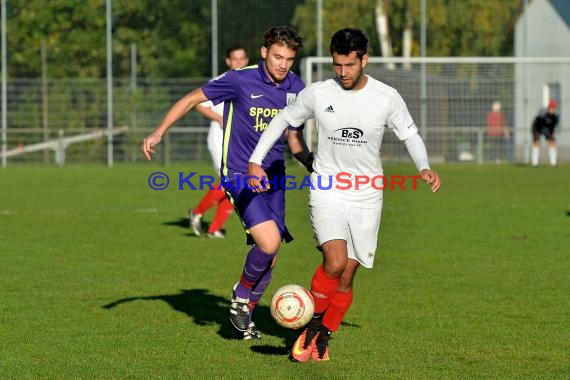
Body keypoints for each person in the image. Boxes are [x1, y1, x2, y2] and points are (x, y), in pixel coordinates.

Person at [247, 28, 441, 362]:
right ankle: (309, 323)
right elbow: (281, 121)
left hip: (367, 196)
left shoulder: (386, 96)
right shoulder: (319, 93)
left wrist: (423, 166)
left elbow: (409, 133)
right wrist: (255, 162)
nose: (343, 73)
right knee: (334, 262)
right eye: (337, 65)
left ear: (364, 60)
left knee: (347, 276)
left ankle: (322, 333)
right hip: (327, 189)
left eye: (350, 65)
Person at [141, 26, 312, 340]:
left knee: (270, 257)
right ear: (264, 52)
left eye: (289, 58)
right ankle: (240, 295)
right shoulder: (239, 79)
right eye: (277, 56)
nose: (282, 64)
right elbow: (193, 98)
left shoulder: (297, 88)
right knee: (269, 242)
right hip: (239, 174)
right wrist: (158, 132)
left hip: (274, 178)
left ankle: (245, 318)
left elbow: (295, 139)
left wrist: (312, 163)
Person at [188, 44, 249, 238]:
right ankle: (197, 213)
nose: (238, 62)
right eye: (235, 59)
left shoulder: (252, 81)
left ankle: (214, 229)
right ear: (228, 61)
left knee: (236, 184)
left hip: (239, 142)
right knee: (231, 182)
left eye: (242, 58)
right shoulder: (222, 81)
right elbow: (198, 104)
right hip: (220, 139)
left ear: (247, 60)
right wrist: (221, 119)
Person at [531, 99, 559, 167]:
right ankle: (534, 162)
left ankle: (553, 162)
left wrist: (551, 135)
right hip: (537, 127)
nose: (552, 109)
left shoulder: (555, 116)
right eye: (551, 107)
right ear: (549, 107)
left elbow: (552, 127)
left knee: (552, 141)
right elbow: (538, 124)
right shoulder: (543, 114)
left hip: (547, 129)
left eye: (553, 108)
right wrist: (537, 134)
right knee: (536, 142)